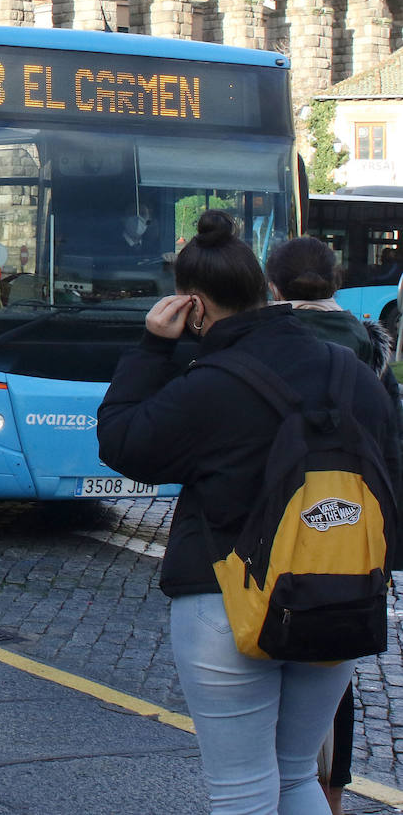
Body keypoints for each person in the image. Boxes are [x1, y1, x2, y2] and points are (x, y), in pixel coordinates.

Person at [96, 210, 401, 814]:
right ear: (265, 291)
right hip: (340, 589)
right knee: (296, 777)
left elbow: (125, 443)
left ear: (194, 306)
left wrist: (153, 348)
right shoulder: (353, 373)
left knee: (242, 787)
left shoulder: (212, 382)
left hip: (228, 596)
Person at [266, 235, 402, 815]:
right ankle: (332, 792)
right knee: (331, 669)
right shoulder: (371, 345)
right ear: (338, 282)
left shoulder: (262, 341)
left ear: (272, 284)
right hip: (352, 525)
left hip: (273, 525)